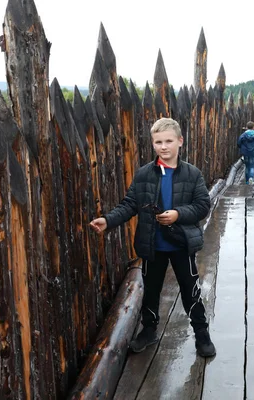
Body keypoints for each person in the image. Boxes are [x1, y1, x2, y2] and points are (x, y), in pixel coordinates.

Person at [89, 118, 216, 357]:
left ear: (180, 141)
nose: (163, 146)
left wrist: (178, 214)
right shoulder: (144, 174)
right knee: (151, 291)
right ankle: (149, 331)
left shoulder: (192, 174)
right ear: (153, 144)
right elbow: (130, 205)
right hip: (152, 244)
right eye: (158, 142)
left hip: (181, 244)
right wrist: (108, 220)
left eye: (169, 141)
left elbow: (202, 206)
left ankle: (202, 334)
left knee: (190, 290)